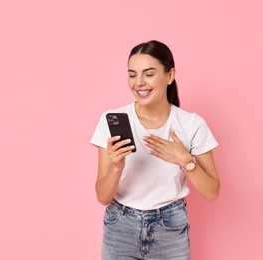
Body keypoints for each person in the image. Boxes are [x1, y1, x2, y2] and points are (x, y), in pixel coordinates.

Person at [90, 40, 220, 260]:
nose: (139, 83)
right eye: (132, 75)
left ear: (170, 76)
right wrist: (116, 167)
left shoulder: (191, 124)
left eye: (148, 74)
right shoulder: (111, 120)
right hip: (120, 225)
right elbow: (103, 197)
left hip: (170, 227)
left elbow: (212, 192)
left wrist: (185, 160)